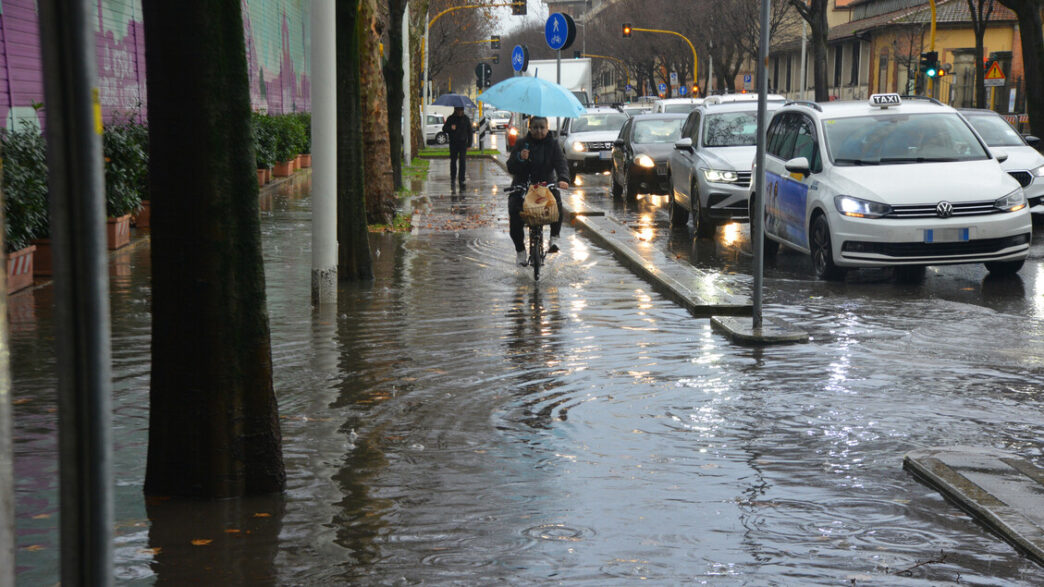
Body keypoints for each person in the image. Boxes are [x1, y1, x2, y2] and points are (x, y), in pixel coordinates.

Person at [506, 116, 569, 266]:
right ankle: (520, 251)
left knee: (556, 202)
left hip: (545, 185)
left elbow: (561, 163)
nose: (539, 131)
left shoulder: (553, 144)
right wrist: (520, 158)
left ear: (547, 129)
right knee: (514, 211)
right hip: (523, 186)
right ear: (530, 128)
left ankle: (554, 237)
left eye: (542, 128)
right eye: (535, 128)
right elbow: (510, 166)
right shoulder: (522, 143)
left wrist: (563, 178)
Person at [442, 106, 472, 189]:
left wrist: (469, 144)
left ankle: (462, 178)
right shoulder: (451, 118)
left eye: (461, 110)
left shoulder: (466, 119)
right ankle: (453, 178)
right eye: (458, 110)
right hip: (453, 143)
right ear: (455, 110)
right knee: (453, 161)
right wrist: (451, 128)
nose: (460, 112)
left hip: (463, 144)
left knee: (462, 161)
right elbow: (444, 129)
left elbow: (470, 132)